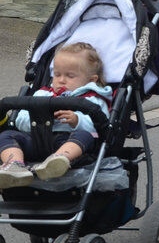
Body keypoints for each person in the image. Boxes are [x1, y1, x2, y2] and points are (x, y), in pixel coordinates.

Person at [0, 43, 113, 187]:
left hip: (69, 143)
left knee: (86, 135)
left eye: (70, 76)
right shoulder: (43, 94)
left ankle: (58, 161)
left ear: (91, 80)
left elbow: (101, 125)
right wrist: (40, 115)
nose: (61, 80)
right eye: (57, 74)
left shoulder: (92, 99)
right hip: (37, 140)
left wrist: (77, 120)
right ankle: (15, 165)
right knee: (6, 135)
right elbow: (20, 121)